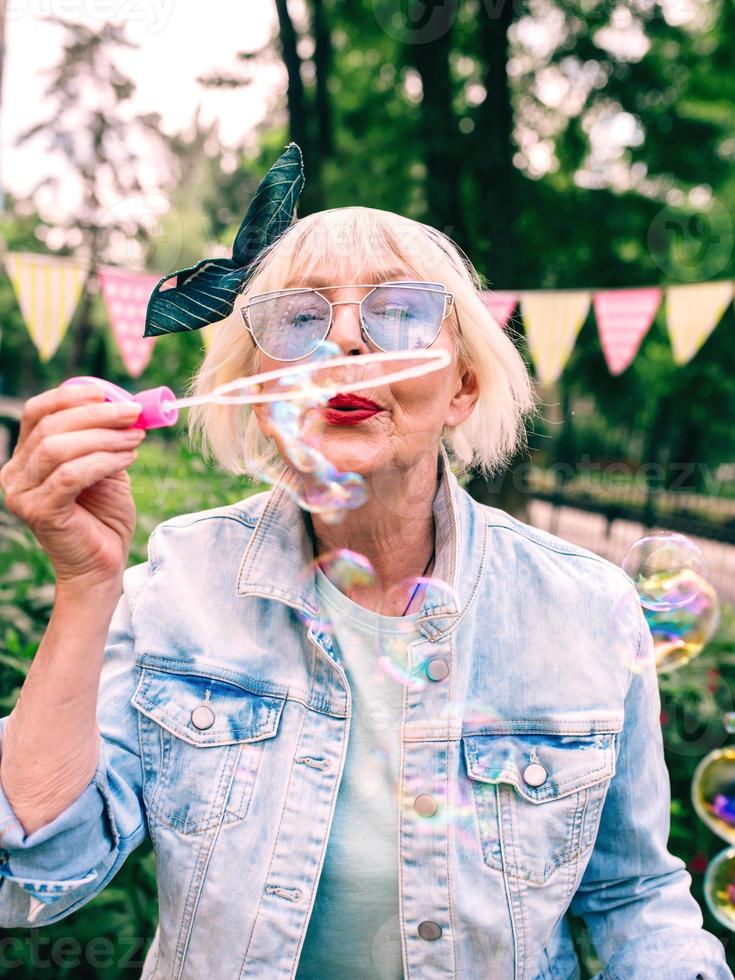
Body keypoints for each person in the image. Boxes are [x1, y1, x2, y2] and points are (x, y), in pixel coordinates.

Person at [0, 205, 731, 980]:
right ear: (257, 390)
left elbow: (633, 895)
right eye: (298, 318)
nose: (343, 341)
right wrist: (85, 585)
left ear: (462, 388)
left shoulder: (582, 607)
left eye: (401, 312)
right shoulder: (180, 585)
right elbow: (37, 867)